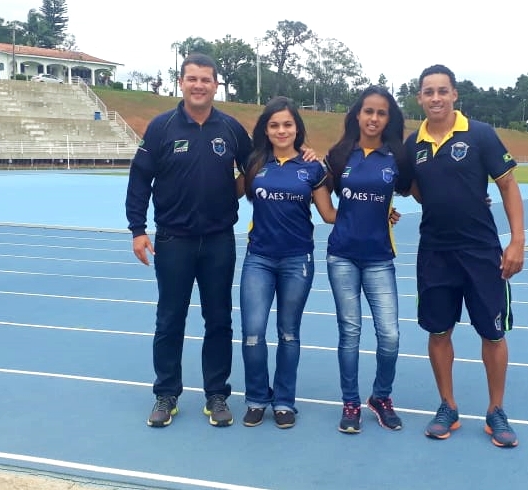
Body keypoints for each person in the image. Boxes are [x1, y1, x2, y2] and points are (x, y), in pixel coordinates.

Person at [125, 53, 253, 428]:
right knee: (169, 320)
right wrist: (137, 229)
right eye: (192, 79)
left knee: (219, 320)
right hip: (173, 240)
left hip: (218, 241)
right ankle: (166, 393)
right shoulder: (162, 127)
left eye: (206, 80)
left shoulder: (230, 129)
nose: (199, 85)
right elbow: (139, 180)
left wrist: (237, 189)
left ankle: (217, 394)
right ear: (181, 83)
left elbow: (256, 167)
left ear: (216, 85)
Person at [403, 64, 525, 447]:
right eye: (428, 92)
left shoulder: (481, 134)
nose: (435, 98)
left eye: (442, 90)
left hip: (480, 251)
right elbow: (413, 188)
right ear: (420, 98)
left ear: (455, 94)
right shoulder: (413, 144)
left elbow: (507, 186)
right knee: (439, 331)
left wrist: (517, 241)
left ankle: (496, 411)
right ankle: (448, 406)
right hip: (435, 252)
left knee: (492, 332)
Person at [239, 96, 336, 429]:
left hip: (298, 260)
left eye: (287, 124)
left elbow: (329, 215)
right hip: (259, 260)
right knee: (252, 333)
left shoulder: (312, 168)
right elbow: (223, 193)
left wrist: (377, 210)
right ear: (266, 130)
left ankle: (283, 401)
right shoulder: (254, 164)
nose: (281, 130)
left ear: (297, 128)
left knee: (288, 334)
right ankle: (255, 398)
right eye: (274, 125)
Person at [324, 85, 413, 434]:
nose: (374, 118)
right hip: (342, 255)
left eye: (381, 113)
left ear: (388, 119)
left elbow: (419, 189)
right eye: (368, 111)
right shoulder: (340, 154)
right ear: (357, 115)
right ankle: (350, 402)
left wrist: (472, 199)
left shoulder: (397, 157)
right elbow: (320, 193)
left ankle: (380, 397)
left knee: (389, 335)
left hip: (379, 258)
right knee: (350, 333)